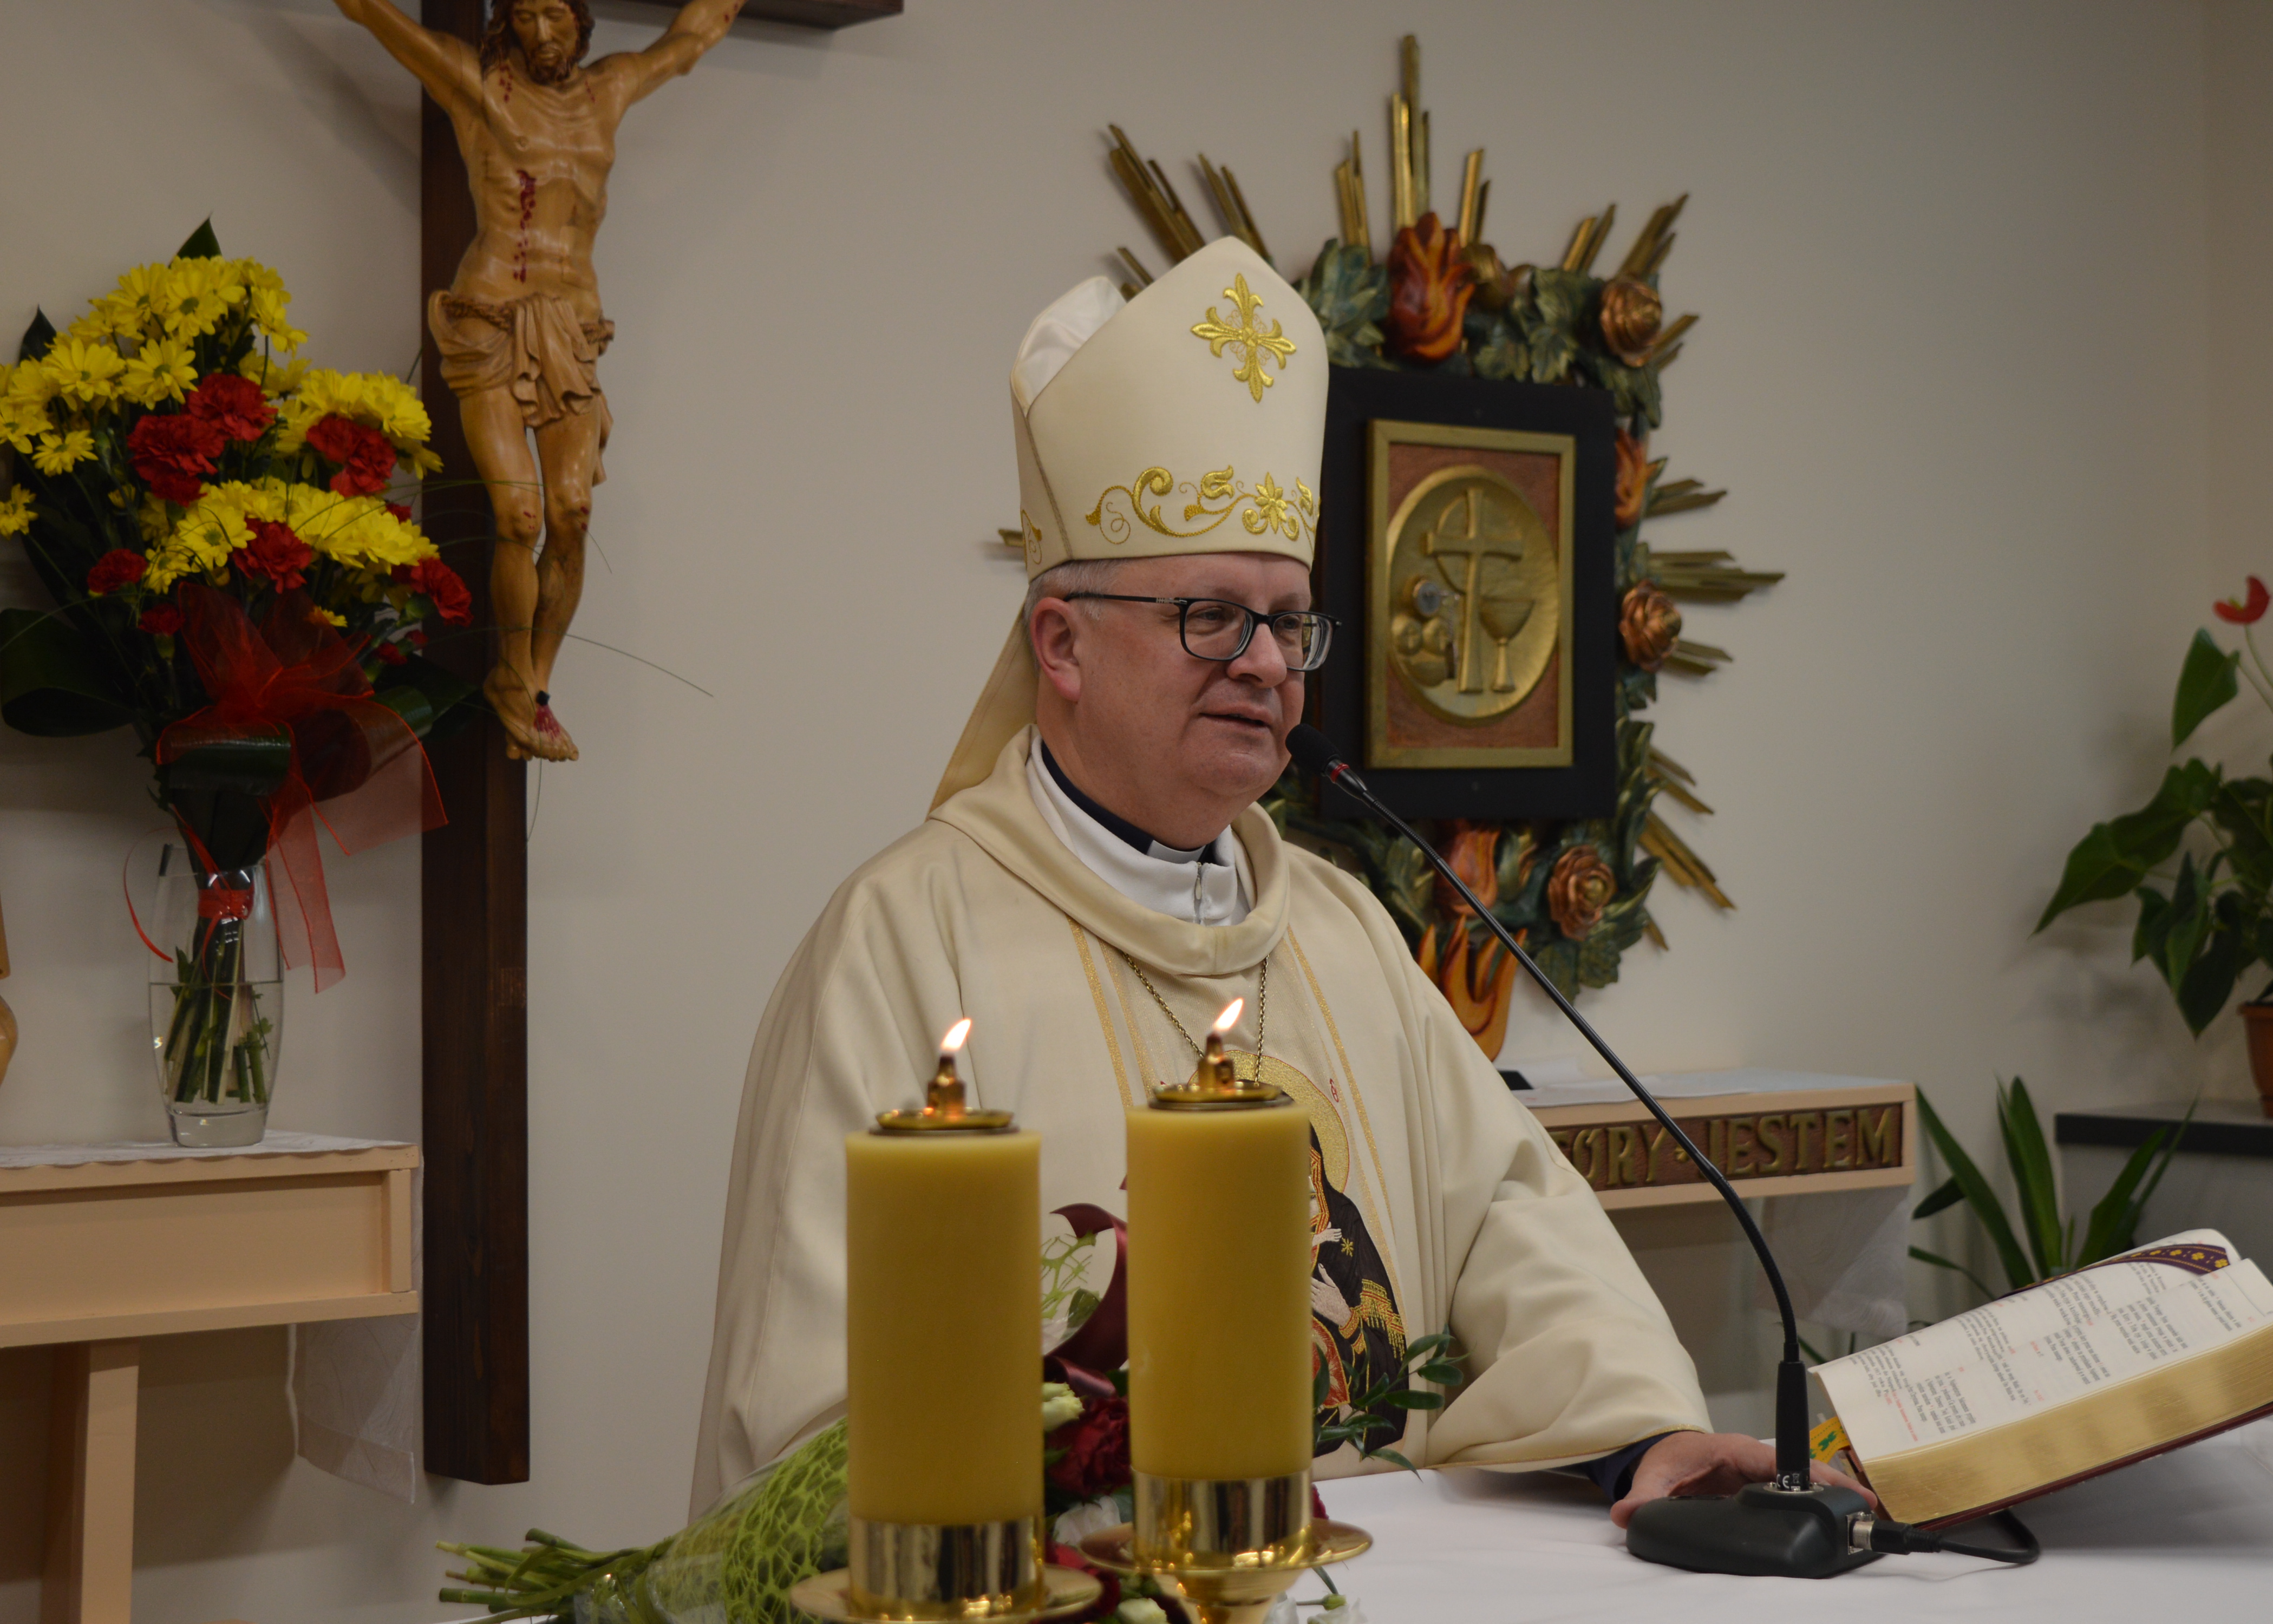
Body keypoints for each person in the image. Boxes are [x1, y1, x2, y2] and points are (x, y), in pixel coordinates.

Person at [693, 238, 1866, 1528]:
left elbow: (1507, 1220)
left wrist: (1640, 1428)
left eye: (1289, 622)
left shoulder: (1337, 924)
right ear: (1062, 643)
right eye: (1210, 616)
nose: (1264, 663)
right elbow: (831, 1407)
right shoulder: (905, 944)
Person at [332, 0, 740, 761]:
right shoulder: (477, 84)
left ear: (580, 20)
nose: (543, 35)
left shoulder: (612, 88)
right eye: (525, 18)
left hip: (573, 331)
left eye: (555, 15)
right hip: (490, 316)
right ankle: (512, 677)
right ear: (507, 24)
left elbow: (691, 37)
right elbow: (375, 16)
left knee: (574, 511)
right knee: (519, 516)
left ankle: (534, 683)